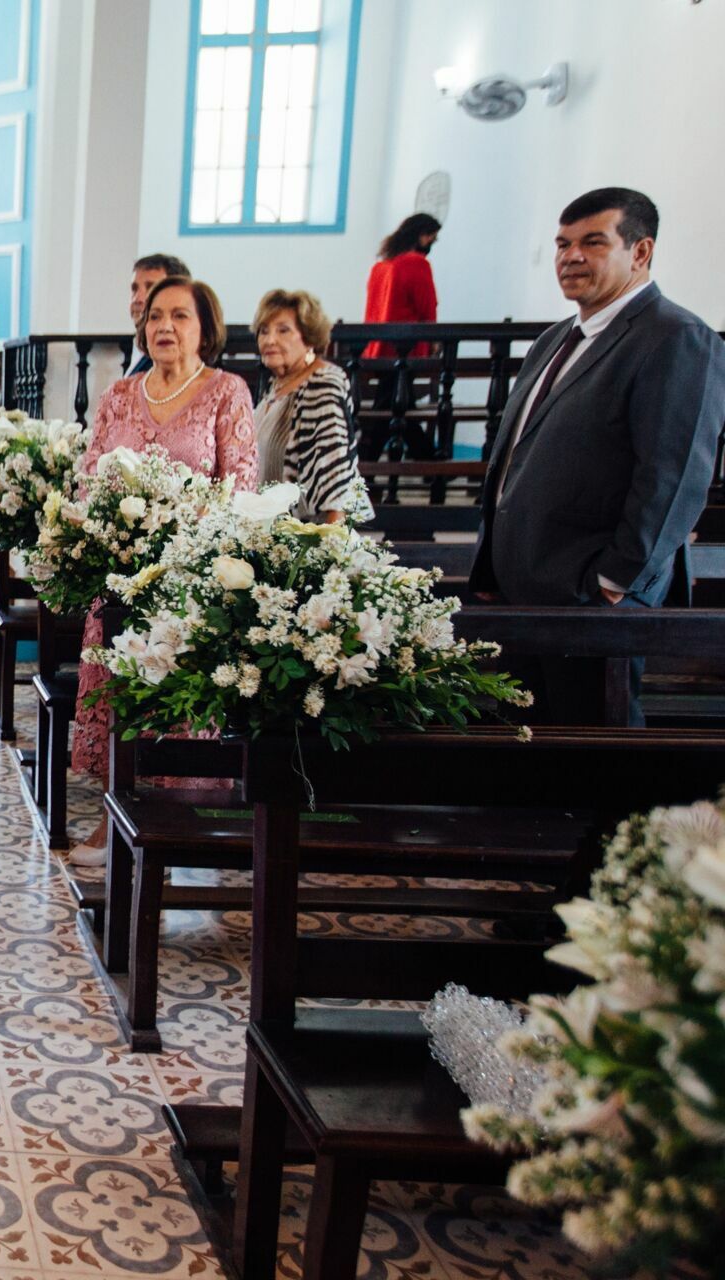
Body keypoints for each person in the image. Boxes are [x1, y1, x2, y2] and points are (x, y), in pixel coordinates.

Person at [472, 187, 725, 726]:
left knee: (590, 761)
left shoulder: (676, 337)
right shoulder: (556, 339)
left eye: (592, 242)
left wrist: (612, 584)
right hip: (524, 588)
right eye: (563, 244)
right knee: (522, 755)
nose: (570, 257)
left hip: (590, 597)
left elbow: (673, 479)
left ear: (640, 252)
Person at [70, 277, 257, 864]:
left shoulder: (227, 392)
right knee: (121, 692)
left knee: (179, 708)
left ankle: (178, 823)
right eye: (155, 315)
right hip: (122, 580)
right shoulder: (120, 394)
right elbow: (90, 475)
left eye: (180, 315)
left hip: (190, 582)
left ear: (206, 327)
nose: (165, 326)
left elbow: (240, 486)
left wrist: (180, 529)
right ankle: (113, 817)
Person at [251, 288, 371, 525]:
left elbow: (337, 476)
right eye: (264, 331)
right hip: (270, 534)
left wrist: (328, 551)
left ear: (309, 337)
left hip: (307, 536)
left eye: (283, 330)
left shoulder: (322, 384)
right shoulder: (276, 386)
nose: (269, 339)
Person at [362, 213, 440, 361]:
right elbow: (426, 306)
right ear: (421, 235)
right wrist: (434, 339)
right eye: (432, 238)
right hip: (405, 346)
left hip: (377, 346)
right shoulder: (417, 264)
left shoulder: (380, 267)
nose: (432, 242)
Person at [126, 253, 189, 375]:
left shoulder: (174, 361)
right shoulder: (141, 349)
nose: (137, 299)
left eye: (150, 288)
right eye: (134, 289)